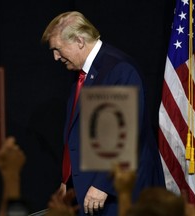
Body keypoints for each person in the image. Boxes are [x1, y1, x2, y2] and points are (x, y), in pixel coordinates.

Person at [41, 11, 166, 216]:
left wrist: (103, 184)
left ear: (79, 41)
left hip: (120, 195)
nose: (55, 57)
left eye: (57, 49)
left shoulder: (118, 69)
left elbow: (126, 135)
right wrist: (68, 180)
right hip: (93, 193)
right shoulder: (83, 75)